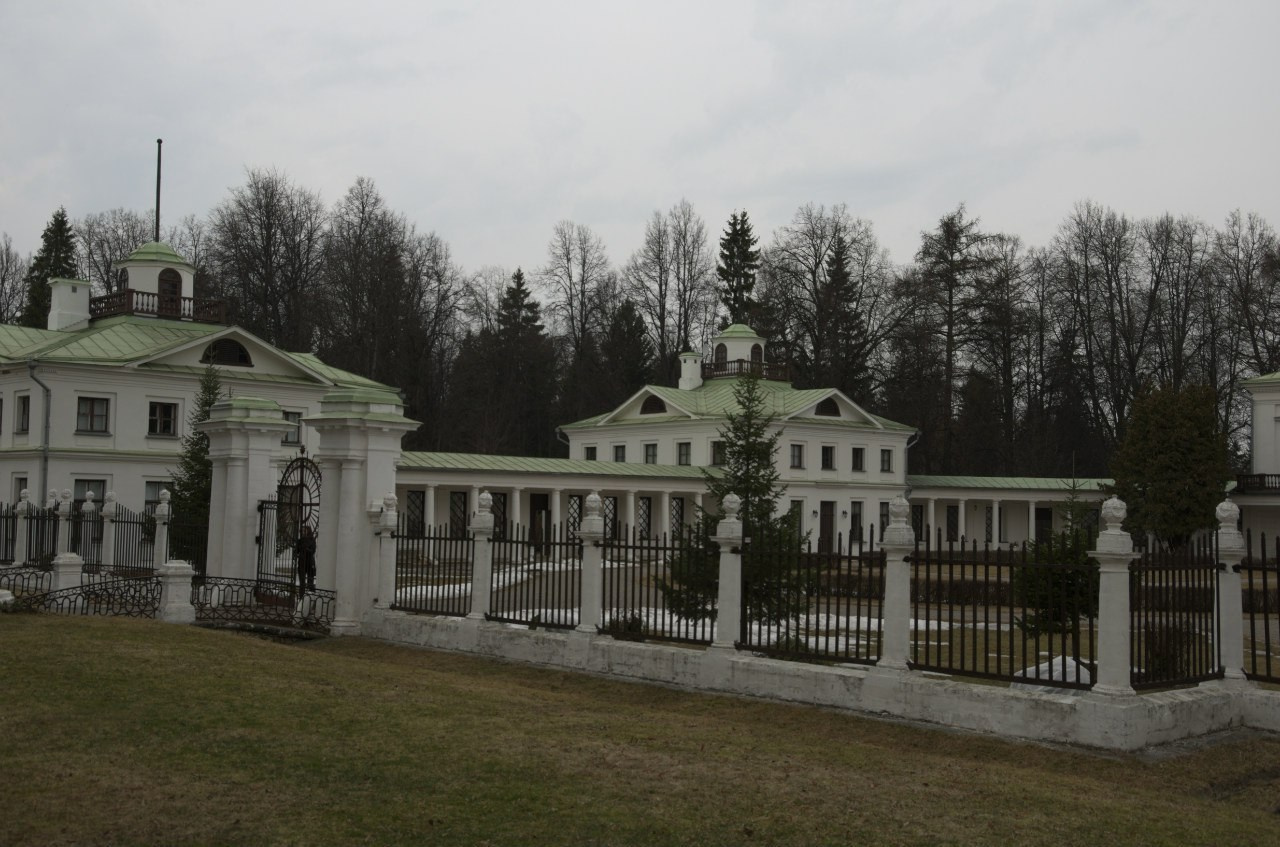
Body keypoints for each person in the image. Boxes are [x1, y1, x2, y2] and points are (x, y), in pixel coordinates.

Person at [294, 525, 317, 592]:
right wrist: (295, 551)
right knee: (302, 581)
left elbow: (313, 551)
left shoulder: (312, 540)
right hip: (301, 562)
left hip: (309, 562)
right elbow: (297, 551)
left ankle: (311, 595)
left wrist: (306, 549)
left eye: (305, 530)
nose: (303, 532)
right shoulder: (300, 540)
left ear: (308, 531)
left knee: (310, 581)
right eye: (302, 530)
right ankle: (302, 595)